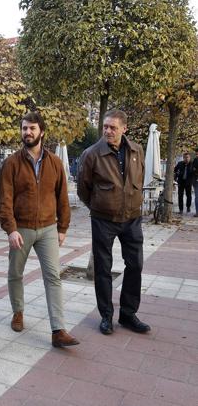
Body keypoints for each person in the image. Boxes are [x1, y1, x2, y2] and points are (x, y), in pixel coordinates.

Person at [0, 112, 79, 348]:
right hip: (20, 229)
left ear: (42, 132)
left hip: (48, 229)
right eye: (24, 128)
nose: (27, 133)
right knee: (15, 273)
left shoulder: (54, 162)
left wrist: (62, 227)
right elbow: (4, 200)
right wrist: (11, 229)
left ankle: (58, 329)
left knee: (53, 276)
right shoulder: (12, 163)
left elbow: (62, 196)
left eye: (32, 128)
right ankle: (18, 312)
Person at [77, 109, 150, 335]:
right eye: (105, 127)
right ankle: (106, 316)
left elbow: (139, 178)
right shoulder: (91, 154)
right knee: (103, 268)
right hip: (103, 220)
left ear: (124, 129)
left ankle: (128, 314)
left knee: (136, 264)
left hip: (132, 218)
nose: (107, 131)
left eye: (113, 127)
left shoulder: (137, 150)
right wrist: (100, 205)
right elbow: (83, 189)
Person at [193, 148, 198, 217]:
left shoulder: (196, 160)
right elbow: (193, 169)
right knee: (197, 197)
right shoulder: (195, 159)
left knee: (197, 197)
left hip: (196, 180)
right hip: (196, 180)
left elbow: (193, 169)